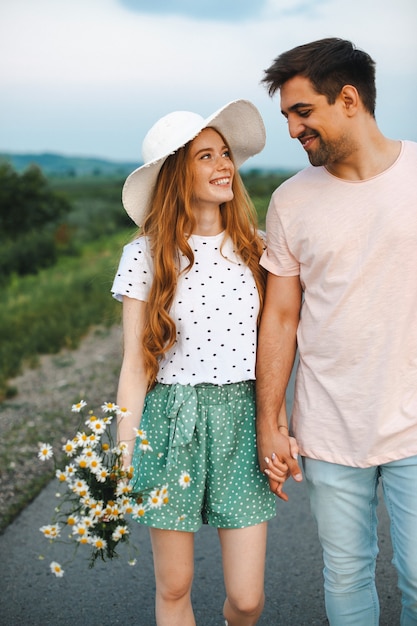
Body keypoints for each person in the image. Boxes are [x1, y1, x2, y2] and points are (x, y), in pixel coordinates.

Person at [256, 37, 417, 625]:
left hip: (415, 423)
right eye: (287, 118)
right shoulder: (291, 201)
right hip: (328, 428)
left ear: (348, 98)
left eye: (303, 112)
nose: (294, 130)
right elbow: (280, 316)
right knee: (346, 575)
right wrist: (268, 420)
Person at [111, 100, 291, 626]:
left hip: (240, 419)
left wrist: (276, 421)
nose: (224, 166)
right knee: (175, 586)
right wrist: (123, 449)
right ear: (175, 175)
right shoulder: (144, 255)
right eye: (206, 157)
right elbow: (134, 365)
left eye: (226, 154)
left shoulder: (257, 249)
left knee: (248, 598)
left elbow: (277, 346)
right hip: (171, 424)